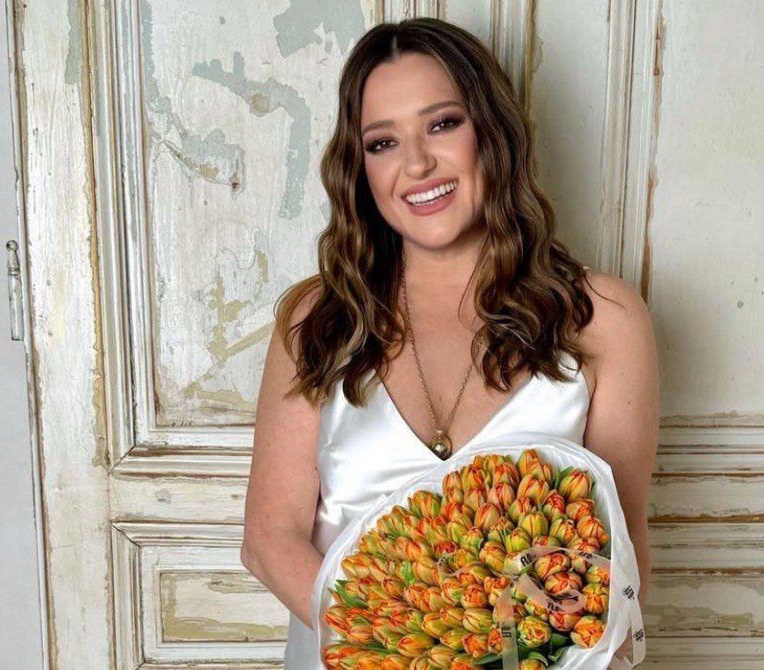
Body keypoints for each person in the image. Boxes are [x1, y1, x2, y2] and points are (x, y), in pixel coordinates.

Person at [240, 17, 660, 668]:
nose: (416, 164)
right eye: (383, 142)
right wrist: (410, 655)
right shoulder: (317, 320)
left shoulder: (602, 318)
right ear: (359, 167)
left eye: (442, 124)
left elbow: (622, 548)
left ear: (492, 131)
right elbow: (270, 539)